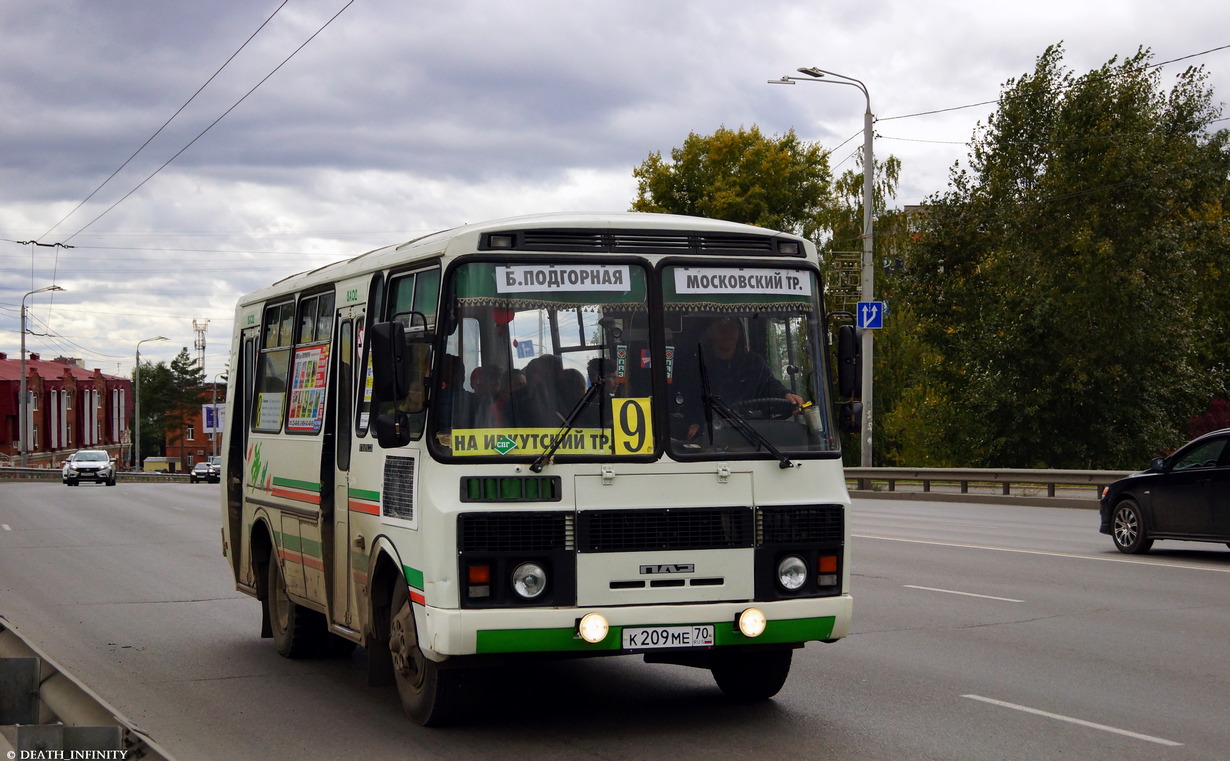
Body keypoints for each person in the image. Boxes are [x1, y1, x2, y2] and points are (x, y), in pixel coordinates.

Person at [676, 316, 803, 440]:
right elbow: (685, 402)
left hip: (752, 436)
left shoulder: (753, 363)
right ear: (709, 332)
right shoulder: (695, 366)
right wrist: (693, 423)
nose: (727, 331)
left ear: (739, 331)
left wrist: (786, 395)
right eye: (720, 326)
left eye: (732, 326)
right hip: (710, 437)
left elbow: (770, 385)